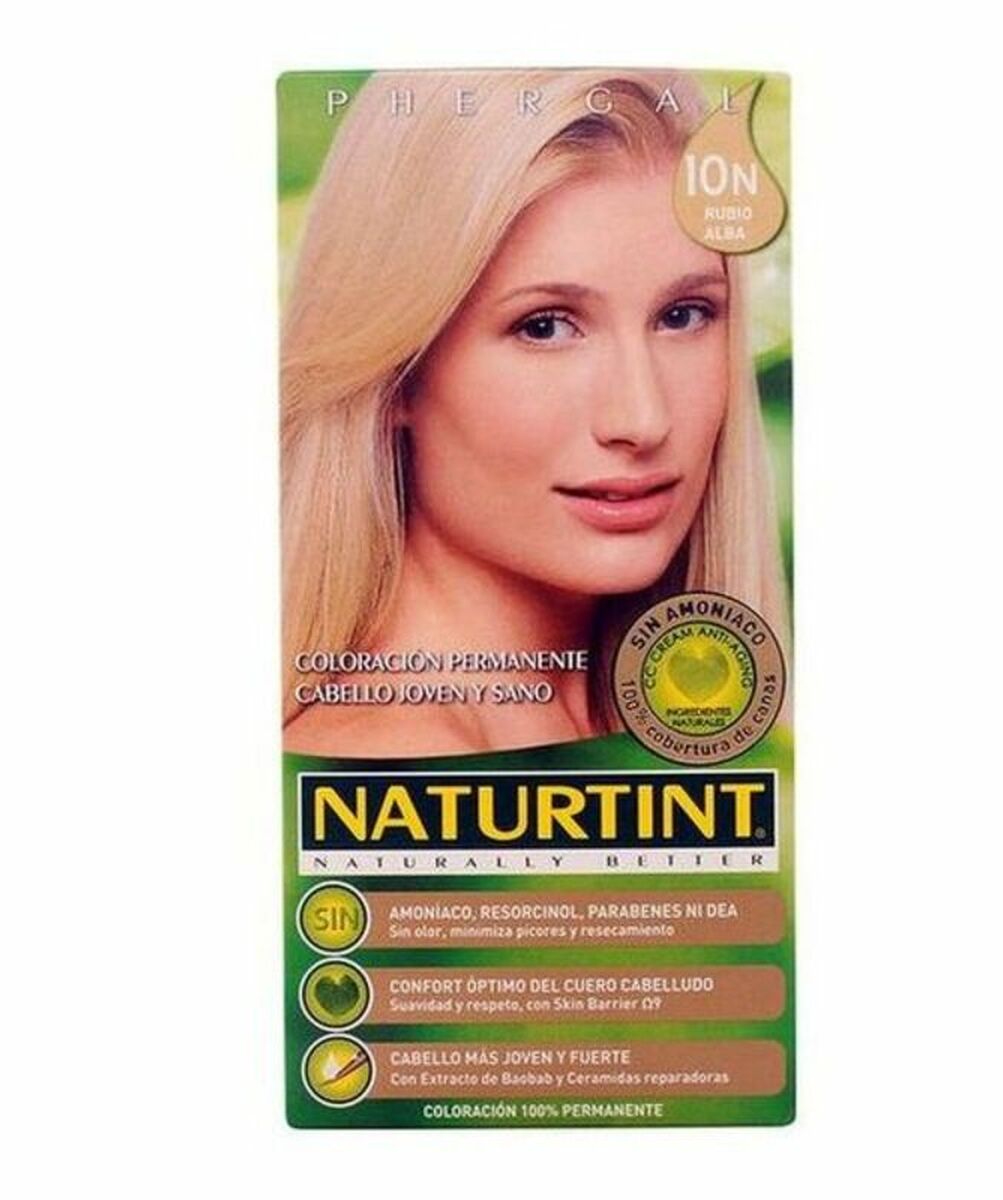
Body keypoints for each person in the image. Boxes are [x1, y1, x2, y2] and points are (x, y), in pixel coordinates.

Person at [280, 69, 786, 756]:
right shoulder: (399, 760)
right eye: (545, 327)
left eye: (682, 315)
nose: (643, 420)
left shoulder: (653, 724)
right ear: (397, 373)